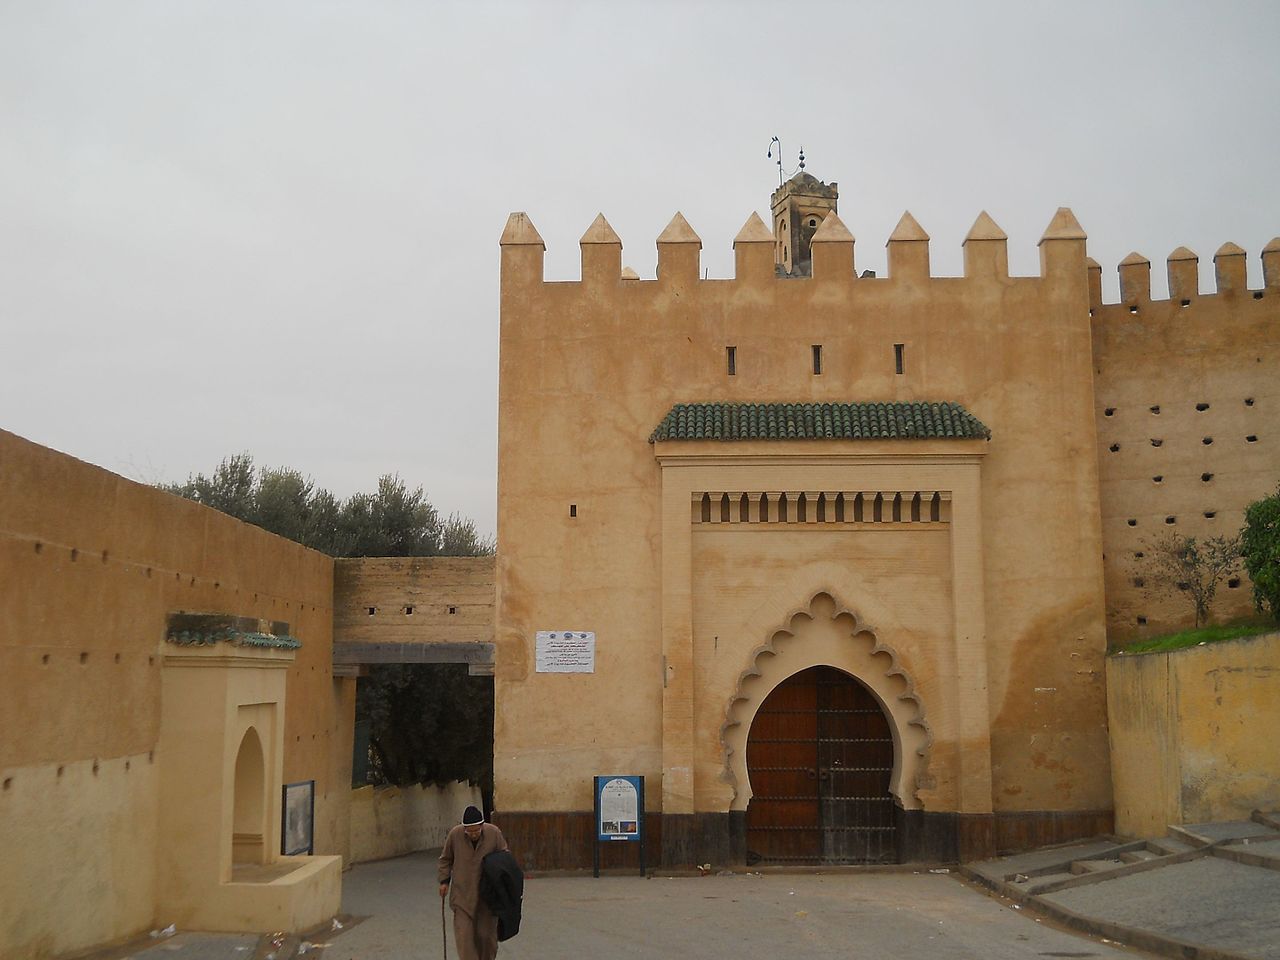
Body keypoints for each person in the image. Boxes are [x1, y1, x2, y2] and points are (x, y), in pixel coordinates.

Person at [438, 805, 508, 960]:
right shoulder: (455, 835)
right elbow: (445, 860)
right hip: (462, 896)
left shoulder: (494, 833)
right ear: (464, 829)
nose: (474, 834)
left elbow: (505, 858)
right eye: (470, 831)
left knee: (487, 938)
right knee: (464, 939)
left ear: (482, 826)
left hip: (488, 898)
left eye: (476, 830)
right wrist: (444, 881)